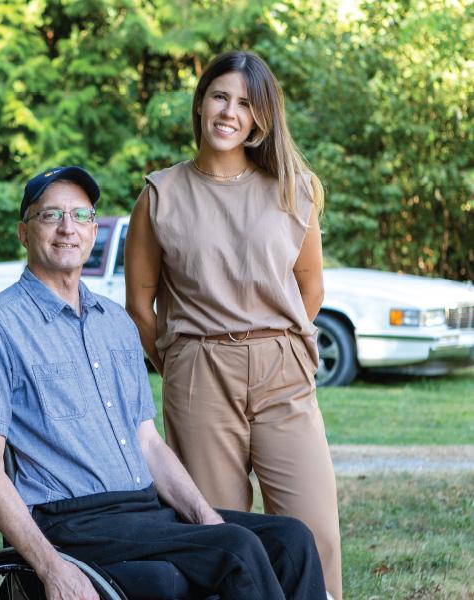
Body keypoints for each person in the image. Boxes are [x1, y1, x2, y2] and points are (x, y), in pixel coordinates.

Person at [0, 166, 328, 600]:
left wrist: (205, 517)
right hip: (71, 522)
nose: (67, 229)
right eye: (50, 216)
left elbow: (147, 443)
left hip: (143, 509)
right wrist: (51, 567)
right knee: (236, 549)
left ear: (94, 231)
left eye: (81, 216)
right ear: (24, 232)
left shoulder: (115, 324)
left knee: (291, 540)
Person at [124, 50, 341, 599]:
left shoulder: (294, 188)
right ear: (200, 104)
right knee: (216, 531)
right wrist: (180, 363)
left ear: (261, 117)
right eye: (220, 96)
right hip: (199, 374)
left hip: (283, 375)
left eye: (245, 103)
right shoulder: (160, 194)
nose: (229, 112)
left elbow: (310, 288)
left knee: (313, 528)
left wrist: (274, 347)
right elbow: (139, 304)